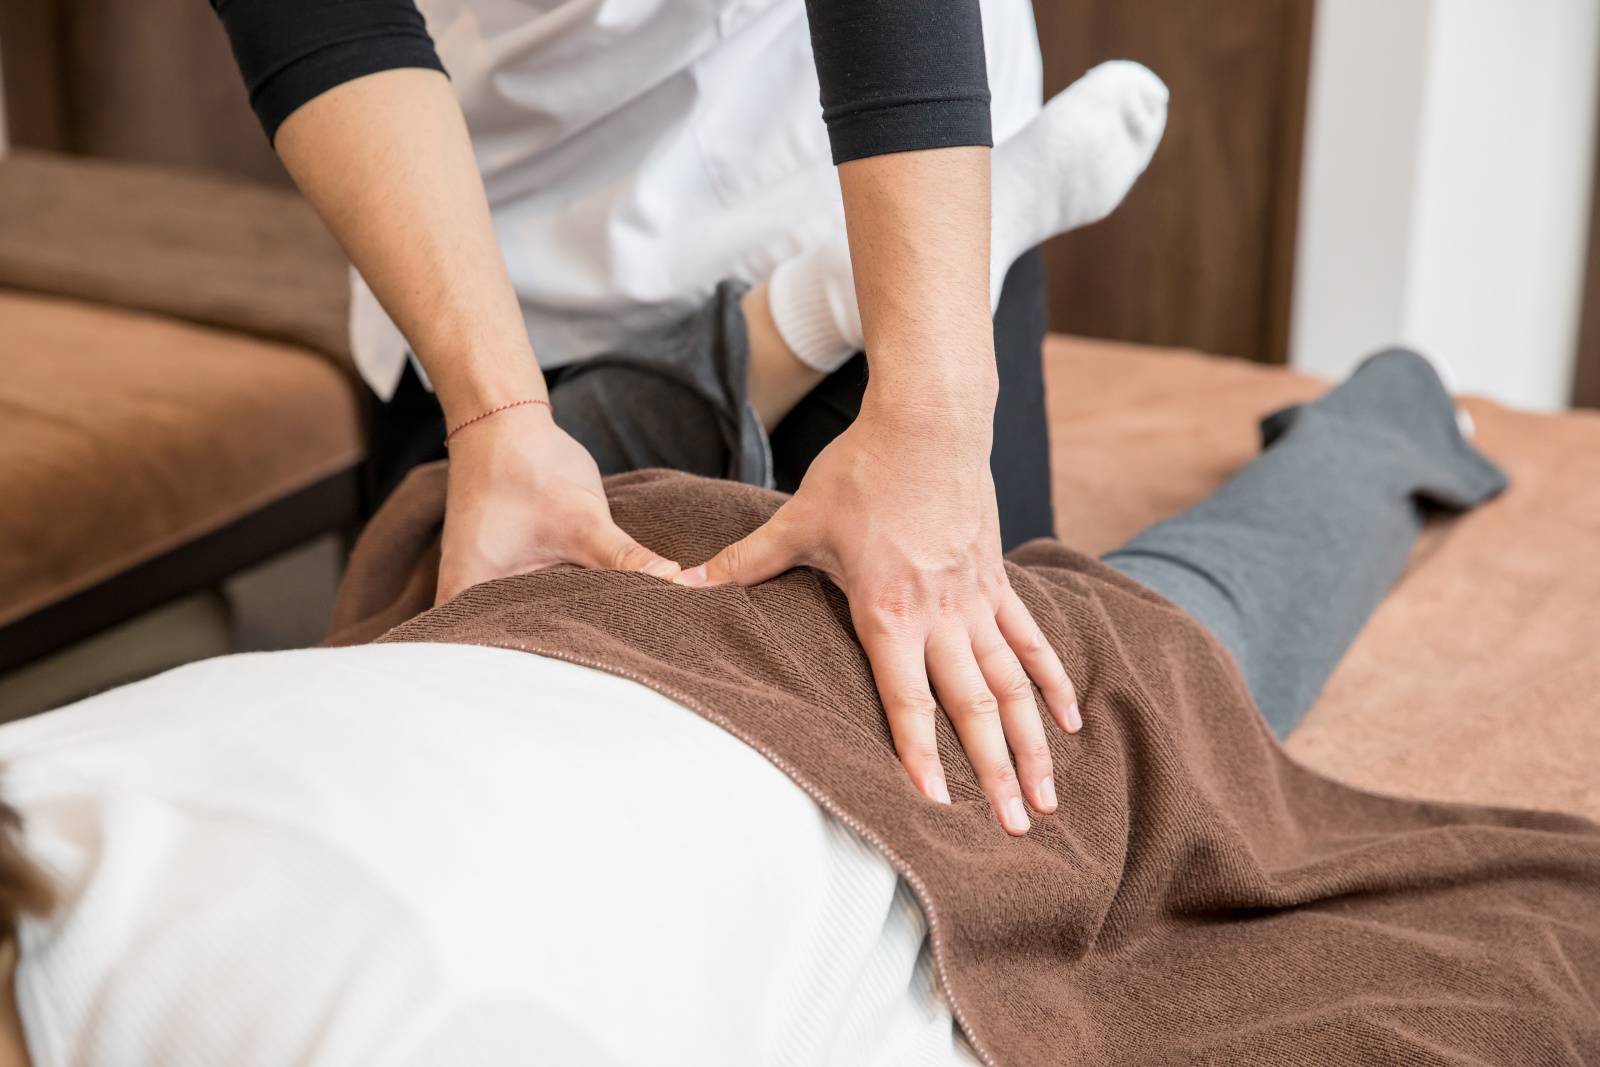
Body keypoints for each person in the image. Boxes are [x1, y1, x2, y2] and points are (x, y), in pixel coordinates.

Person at [0, 332, 1518, 1062]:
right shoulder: (42, 777)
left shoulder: (338, 1008)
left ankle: (1388, 413)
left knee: (1182, 636)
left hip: (759, 691)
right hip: (539, 615)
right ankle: (761, 340)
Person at [206, 0, 1117, 831]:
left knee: (1003, 746)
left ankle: (834, 305)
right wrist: (497, 413)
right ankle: (805, 319)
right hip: (488, 205)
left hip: (871, 157)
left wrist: (929, 423)